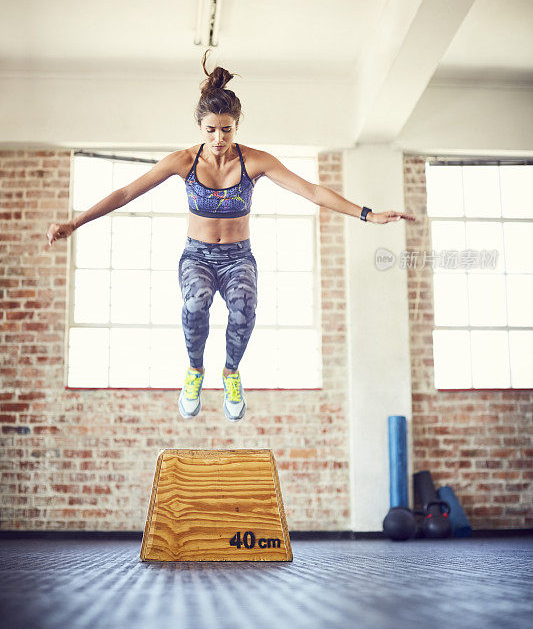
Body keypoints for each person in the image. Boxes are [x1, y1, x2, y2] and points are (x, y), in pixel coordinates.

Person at [47, 48, 416, 422]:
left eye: (227, 129)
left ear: (236, 125)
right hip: (198, 257)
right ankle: (194, 371)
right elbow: (126, 193)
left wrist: (368, 215)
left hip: (239, 257)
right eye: (211, 129)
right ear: (200, 126)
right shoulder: (183, 161)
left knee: (245, 307)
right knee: (197, 301)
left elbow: (313, 191)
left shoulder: (254, 161)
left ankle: (230, 373)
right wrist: (75, 223)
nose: (219, 138)